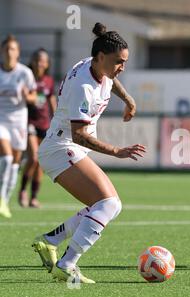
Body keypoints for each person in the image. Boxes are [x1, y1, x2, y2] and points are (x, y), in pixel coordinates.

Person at [31, 22, 145, 283]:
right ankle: (67, 263)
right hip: (62, 148)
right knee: (110, 204)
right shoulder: (84, 86)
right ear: (102, 57)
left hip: (65, 147)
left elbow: (111, 79)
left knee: (106, 206)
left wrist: (127, 99)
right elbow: (79, 134)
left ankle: (51, 240)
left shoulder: (94, 64)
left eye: (125, 62)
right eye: (119, 62)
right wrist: (117, 151)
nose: (122, 68)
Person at [0, 35, 37, 218]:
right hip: (1, 120)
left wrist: (26, 96)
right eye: (6, 49)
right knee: (6, 158)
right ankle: (0, 199)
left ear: (18, 52)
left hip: (18, 121)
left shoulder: (24, 73)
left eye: (12, 49)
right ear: (1, 51)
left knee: (15, 162)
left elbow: (34, 97)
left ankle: (5, 201)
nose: (9, 52)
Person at [18, 48, 57, 208]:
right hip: (28, 123)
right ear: (32, 62)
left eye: (43, 61)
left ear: (47, 64)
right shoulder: (27, 78)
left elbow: (51, 100)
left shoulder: (49, 80)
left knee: (40, 162)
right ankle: (22, 191)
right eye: (36, 60)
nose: (39, 63)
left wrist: (57, 120)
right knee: (33, 157)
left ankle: (34, 196)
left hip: (45, 124)